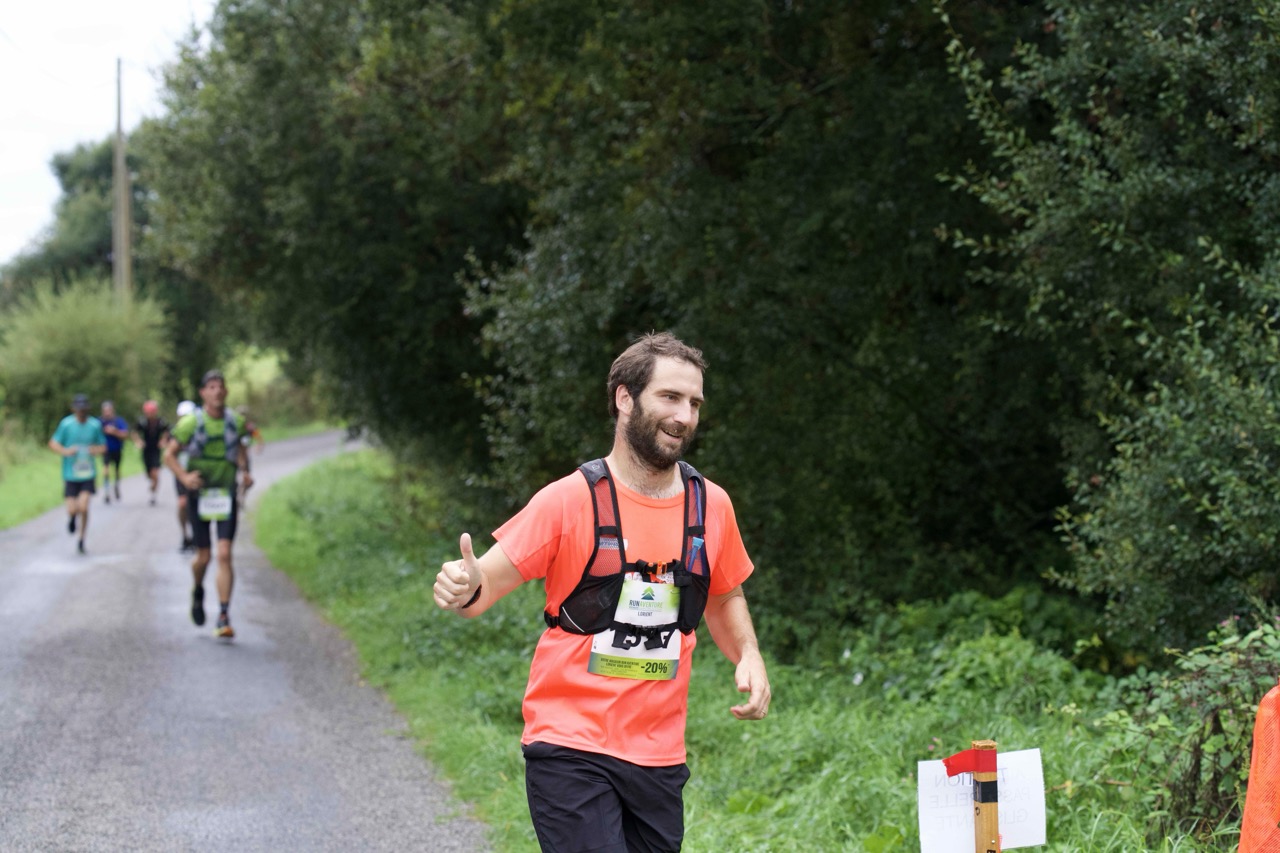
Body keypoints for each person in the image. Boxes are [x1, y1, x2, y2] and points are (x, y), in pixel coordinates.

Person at [434, 332, 771, 852]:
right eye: (670, 397)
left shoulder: (711, 506)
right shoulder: (568, 500)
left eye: (694, 403)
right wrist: (463, 583)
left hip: (659, 755)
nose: (684, 416)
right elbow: (483, 587)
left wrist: (748, 654)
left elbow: (725, 596)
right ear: (625, 398)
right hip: (570, 745)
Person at [165, 372, 253, 639]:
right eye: (211, 387)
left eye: (221, 387)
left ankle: (223, 615)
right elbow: (168, 455)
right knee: (203, 557)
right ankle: (197, 588)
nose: (217, 391)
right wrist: (184, 477)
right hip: (199, 495)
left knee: (224, 554)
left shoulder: (235, 422)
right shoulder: (191, 423)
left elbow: (240, 449)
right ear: (203, 393)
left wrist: (245, 472)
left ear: (226, 392)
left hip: (226, 495)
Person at [48, 393, 106, 555]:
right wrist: (66, 451)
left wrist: (95, 450)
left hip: (88, 474)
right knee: (73, 509)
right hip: (70, 474)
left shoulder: (94, 425)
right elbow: (53, 443)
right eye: (79, 409)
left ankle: (81, 539)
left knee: (84, 506)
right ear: (74, 409)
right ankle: (72, 518)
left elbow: (103, 446)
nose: (81, 412)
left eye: (84, 409)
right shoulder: (66, 424)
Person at [134, 400, 170, 507]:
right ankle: (152, 484)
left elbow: (167, 431)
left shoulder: (160, 422)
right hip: (146, 450)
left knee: (155, 473)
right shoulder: (143, 422)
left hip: (156, 450)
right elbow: (134, 432)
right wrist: (138, 441)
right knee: (149, 474)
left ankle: (153, 495)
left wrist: (163, 440)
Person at [173, 400, 196, 551]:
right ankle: (185, 535)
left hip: (197, 472)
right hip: (181, 474)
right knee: (182, 504)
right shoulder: (176, 433)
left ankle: (197, 536)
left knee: (195, 506)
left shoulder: (200, 431)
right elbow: (169, 455)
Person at [99, 400, 129, 503]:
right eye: (105, 411)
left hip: (117, 449)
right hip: (105, 450)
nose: (107, 413)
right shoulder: (99, 422)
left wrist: (114, 432)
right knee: (106, 469)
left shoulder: (118, 421)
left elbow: (125, 435)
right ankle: (107, 491)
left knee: (116, 470)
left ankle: (116, 485)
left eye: (109, 410)